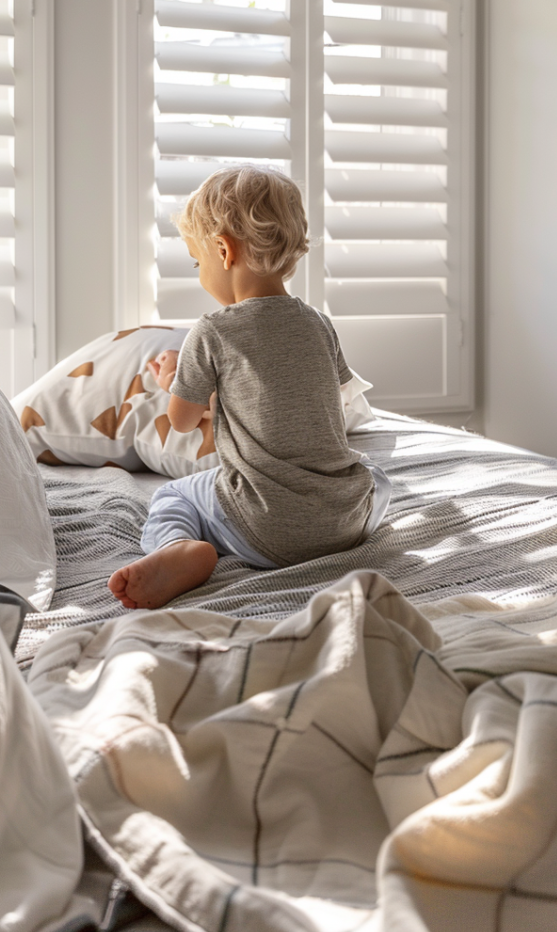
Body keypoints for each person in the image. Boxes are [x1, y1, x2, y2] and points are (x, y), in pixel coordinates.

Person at [108, 166, 391, 610]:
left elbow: (182, 421)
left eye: (197, 262)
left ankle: (175, 549)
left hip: (264, 529)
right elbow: (318, 403)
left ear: (223, 251)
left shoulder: (212, 331)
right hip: (344, 523)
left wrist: (173, 380)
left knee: (173, 495)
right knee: (375, 475)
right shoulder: (318, 324)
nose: (200, 272)